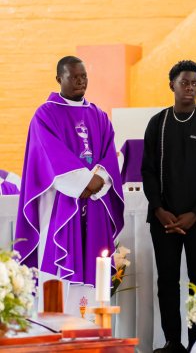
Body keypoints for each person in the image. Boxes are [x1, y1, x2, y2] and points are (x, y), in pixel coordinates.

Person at [15, 56, 124, 315]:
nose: (80, 81)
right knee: (57, 266)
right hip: (60, 205)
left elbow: (109, 155)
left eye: (84, 76)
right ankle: (56, 328)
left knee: (92, 268)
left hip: (94, 205)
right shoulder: (45, 114)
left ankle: (90, 330)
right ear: (59, 79)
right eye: (74, 77)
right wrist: (85, 183)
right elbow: (50, 156)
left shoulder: (99, 115)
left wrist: (98, 180)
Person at [141, 60, 196, 353]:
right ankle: (172, 342)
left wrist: (195, 213)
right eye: (184, 82)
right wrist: (158, 209)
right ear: (172, 85)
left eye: (195, 84)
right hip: (163, 218)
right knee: (167, 281)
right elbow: (147, 171)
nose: (190, 88)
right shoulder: (157, 123)